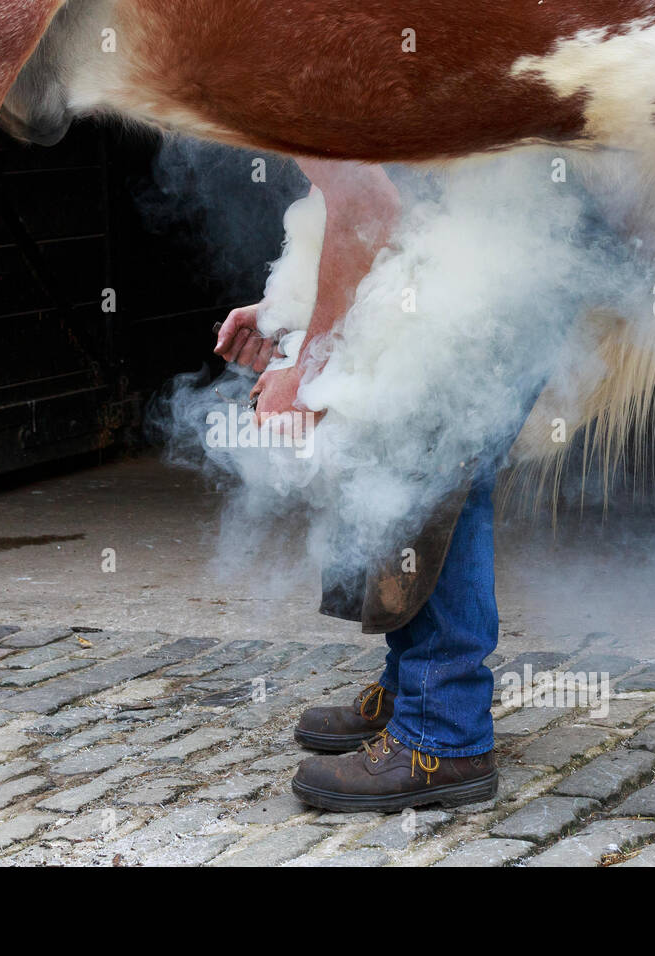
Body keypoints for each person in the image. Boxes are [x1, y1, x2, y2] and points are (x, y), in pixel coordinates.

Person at [214, 160, 501, 811]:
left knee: (427, 453)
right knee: (430, 459)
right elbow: (392, 193)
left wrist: (308, 368)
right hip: (473, 245)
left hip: (523, 248)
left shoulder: (279, 66)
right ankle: (414, 693)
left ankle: (443, 737)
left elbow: (370, 203)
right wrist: (289, 312)